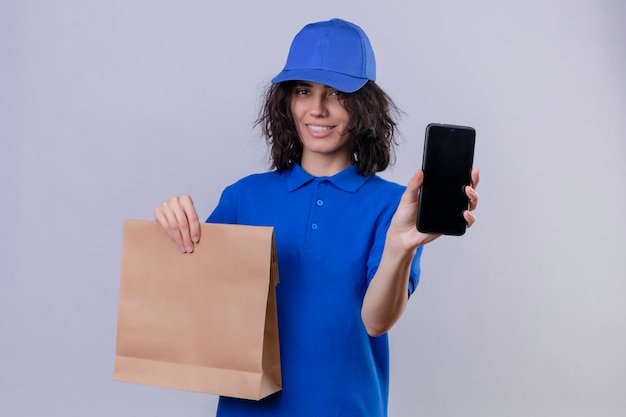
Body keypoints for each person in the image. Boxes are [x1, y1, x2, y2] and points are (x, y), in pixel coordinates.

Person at [154, 18, 479, 417]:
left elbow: (376, 322)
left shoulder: (393, 207)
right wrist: (172, 234)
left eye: (337, 93)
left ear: (364, 106)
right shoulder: (243, 197)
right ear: (287, 101)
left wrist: (399, 247)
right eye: (303, 91)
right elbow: (192, 306)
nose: (317, 109)